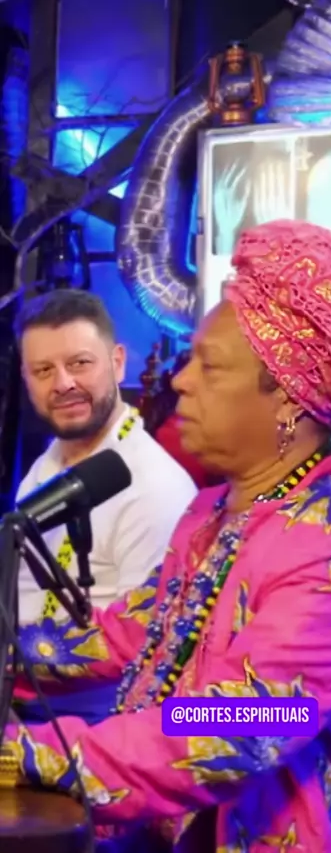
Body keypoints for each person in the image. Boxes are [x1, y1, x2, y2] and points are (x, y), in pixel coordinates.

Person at [2, 220, 331, 852]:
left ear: (286, 398)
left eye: (210, 365)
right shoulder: (217, 510)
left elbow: (232, 724)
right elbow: (136, 633)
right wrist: (11, 657)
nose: (180, 380)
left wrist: (25, 754)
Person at [13, 289, 196, 723]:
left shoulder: (156, 486)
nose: (63, 384)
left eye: (79, 363)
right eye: (43, 370)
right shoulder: (45, 466)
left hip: (92, 723)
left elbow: (145, 650)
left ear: (117, 362)